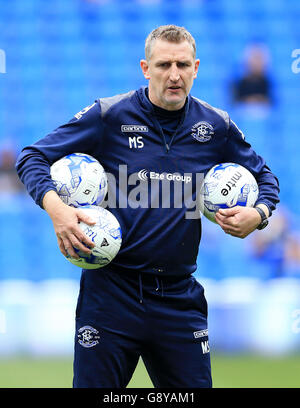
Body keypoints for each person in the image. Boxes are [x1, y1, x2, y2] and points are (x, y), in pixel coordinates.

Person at [16, 25, 280, 388]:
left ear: (196, 67)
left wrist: (259, 214)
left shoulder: (215, 126)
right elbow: (32, 157)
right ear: (145, 68)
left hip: (178, 296)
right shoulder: (110, 115)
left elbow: (266, 179)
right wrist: (57, 210)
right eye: (164, 65)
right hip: (111, 295)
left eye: (183, 65)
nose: (174, 75)